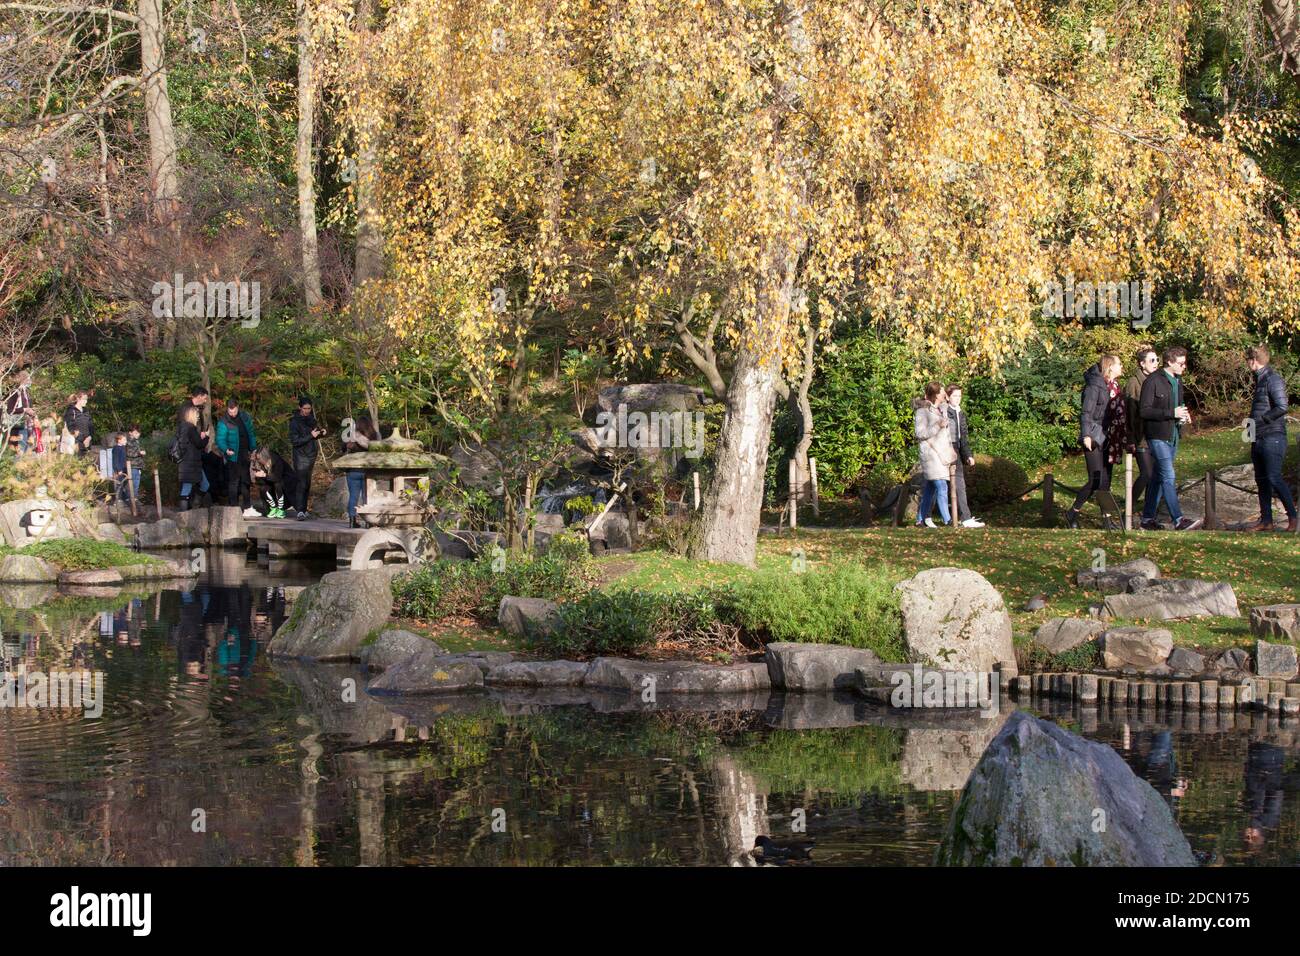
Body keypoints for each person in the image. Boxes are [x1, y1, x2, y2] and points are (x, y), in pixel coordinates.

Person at [1139, 346, 1201, 531]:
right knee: (1168, 475)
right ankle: (1178, 520)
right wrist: (1170, 413)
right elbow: (1144, 410)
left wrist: (1183, 414)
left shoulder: (1177, 380)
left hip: (1173, 435)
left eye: (1185, 363)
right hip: (1157, 436)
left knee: (1158, 477)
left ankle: (1147, 519)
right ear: (1169, 362)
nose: (1184, 366)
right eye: (1181, 363)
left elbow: (1179, 404)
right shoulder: (1153, 381)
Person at [1065, 354, 1127, 530]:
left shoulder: (1114, 387)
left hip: (1108, 436)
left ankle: (1106, 521)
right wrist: (1086, 435)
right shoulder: (1095, 386)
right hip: (1093, 435)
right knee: (1096, 478)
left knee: (1106, 480)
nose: (1122, 366)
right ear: (1110, 367)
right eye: (1119, 364)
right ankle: (1072, 513)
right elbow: (1086, 412)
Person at [1244, 344, 1297, 533]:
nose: (1247, 363)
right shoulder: (1260, 379)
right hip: (1258, 436)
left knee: (1274, 477)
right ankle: (1266, 520)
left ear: (1254, 360)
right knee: (1261, 480)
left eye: (1248, 359)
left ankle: (1292, 518)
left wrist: (1263, 420)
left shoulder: (1272, 379)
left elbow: (1282, 407)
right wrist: (1251, 430)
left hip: (1272, 436)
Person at [1124, 347, 1162, 521]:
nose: (1156, 363)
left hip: (1156, 434)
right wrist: (1131, 437)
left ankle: (1149, 514)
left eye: (1157, 360)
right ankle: (1128, 507)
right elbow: (1130, 412)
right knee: (1146, 473)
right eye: (1152, 360)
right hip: (1140, 436)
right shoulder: (1134, 382)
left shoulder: (1156, 380)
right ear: (1142, 363)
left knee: (1155, 475)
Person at [913, 382, 956, 528]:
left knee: (930, 489)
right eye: (942, 391)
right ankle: (948, 519)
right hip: (930, 456)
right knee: (941, 486)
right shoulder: (922, 412)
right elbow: (920, 434)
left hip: (941, 455)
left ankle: (920, 519)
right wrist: (938, 426)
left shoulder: (941, 410)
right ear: (936, 394)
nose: (944, 393)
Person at [944, 385, 984, 528]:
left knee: (959, 485)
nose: (958, 399)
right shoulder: (944, 412)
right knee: (937, 486)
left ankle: (965, 517)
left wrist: (968, 455)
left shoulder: (960, 413)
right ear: (948, 397)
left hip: (958, 451)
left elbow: (964, 438)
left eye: (960, 396)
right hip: (946, 450)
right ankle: (924, 517)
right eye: (955, 396)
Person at [215, 398, 259, 516]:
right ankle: (233, 507)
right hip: (232, 455)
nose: (233, 414)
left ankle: (247, 507)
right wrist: (226, 449)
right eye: (230, 412)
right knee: (234, 481)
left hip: (245, 454)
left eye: (234, 411)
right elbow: (220, 439)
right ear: (227, 409)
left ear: (237, 407)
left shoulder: (245, 417)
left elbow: (251, 433)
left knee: (246, 480)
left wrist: (253, 448)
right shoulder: (224, 422)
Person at [288, 395, 326, 521]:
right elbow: (295, 441)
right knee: (301, 482)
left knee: (307, 483)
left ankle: (304, 509)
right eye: (305, 408)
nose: (307, 411)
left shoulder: (311, 419)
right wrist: (310, 435)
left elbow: (315, 433)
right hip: (300, 456)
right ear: (300, 408)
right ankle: (299, 510)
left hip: (311, 455)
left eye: (309, 408)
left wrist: (322, 433)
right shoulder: (294, 422)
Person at [344, 414, 379, 529]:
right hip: (367, 471)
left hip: (352, 470)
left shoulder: (352, 436)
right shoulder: (374, 436)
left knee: (353, 496)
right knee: (367, 497)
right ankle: (369, 522)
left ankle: (352, 521)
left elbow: (343, 448)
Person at [176, 405, 210, 511]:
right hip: (191, 463)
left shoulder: (183, 428)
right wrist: (206, 437)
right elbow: (199, 444)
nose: (198, 417)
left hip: (187, 462)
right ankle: (185, 514)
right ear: (191, 415)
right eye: (196, 415)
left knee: (198, 485)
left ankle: (194, 504)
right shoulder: (190, 428)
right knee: (191, 487)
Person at [251, 446, 298, 519]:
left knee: (278, 484)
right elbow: (260, 482)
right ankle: (272, 508)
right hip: (270, 481)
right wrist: (258, 477)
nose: (258, 461)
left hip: (286, 481)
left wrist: (264, 475)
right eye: (257, 459)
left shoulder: (276, 460)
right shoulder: (259, 464)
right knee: (263, 488)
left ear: (264, 457)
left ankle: (280, 509)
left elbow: (277, 477)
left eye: (259, 459)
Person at [4, 370, 36, 454]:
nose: (30, 381)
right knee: (17, 453)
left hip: (25, 425)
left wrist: (31, 411)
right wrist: (24, 409)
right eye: (28, 379)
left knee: (24, 451)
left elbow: (28, 406)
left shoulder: (26, 391)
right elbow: (10, 410)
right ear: (22, 379)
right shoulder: (14, 392)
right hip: (16, 425)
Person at [61, 390, 93, 456]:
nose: (86, 401)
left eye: (86, 399)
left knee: (87, 464)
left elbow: (91, 426)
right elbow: (71, 428)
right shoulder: (71, 411)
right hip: (75, 444)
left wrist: (89, 437)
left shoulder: (86, 411)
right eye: (84, 399)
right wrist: (83, 439)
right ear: (78, 399)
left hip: (87, 443)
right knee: (77, 463)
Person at [124, 424, 145, 502]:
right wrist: (139, 453)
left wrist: (141, 453)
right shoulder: (128, 442)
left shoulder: (137, 441)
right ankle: (129, 498)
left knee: (136, 482)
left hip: (137, 465)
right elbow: (129, 453)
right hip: (132, 465)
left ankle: (134, 498)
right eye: (136, 433)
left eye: (138, 433)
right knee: (132, 483)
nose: (138, 434)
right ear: (130, 433)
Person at [110, 432, 130, 503]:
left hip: (125, 469)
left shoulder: (124, 448)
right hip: (119, 469)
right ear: (119, 440)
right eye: (124, 440)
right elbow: (115, 460)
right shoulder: (116, 448)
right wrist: (118, 469)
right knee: (119, 483)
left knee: (125, 483)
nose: (126, 441)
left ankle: (125, 497)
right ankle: (118, 498)